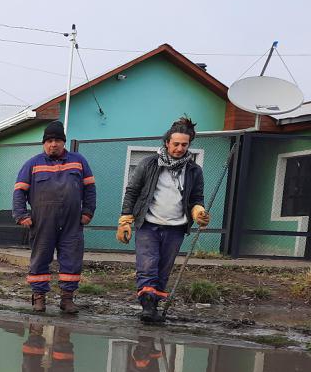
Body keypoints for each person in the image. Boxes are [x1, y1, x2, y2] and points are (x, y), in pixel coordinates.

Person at [116, 116, 210, 323]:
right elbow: (132, 191)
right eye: (175, 144)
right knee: (148, 265)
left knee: (163, 269)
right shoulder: (149, 164)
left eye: (184, 145)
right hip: (148, 224)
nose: (179, 148)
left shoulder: (194, 171)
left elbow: (196, 198)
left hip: (176, 227)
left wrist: (198, 212)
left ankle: (154, 306)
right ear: (167, 142)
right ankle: (147, 308)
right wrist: (125, 218)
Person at [13, 121, 96, 314]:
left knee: (72, 259)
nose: (53, 144)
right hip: (43, 222)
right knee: (40, 258)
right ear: (44, 143)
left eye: (57, 140)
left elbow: (90, 189)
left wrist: (88, 212)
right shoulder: (32, 164)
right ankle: (39, 298)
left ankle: (67, 300)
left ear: (63, 142)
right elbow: (19, 191)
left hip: (72, 222)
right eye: (49, 140)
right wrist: (21, 215)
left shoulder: (79, 161)